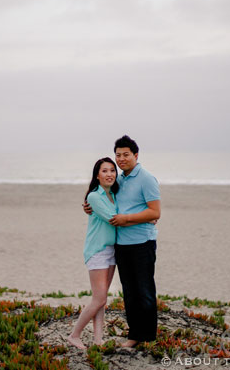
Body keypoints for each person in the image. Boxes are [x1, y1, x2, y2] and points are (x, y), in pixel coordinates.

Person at [84, 135, 161, 347]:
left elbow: (155, 212)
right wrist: (87, 206)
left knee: (144, 290)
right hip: (121, 244)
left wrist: (127, 219)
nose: (121, 159)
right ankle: (135, 336)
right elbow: (102, 197)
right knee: (129, 291)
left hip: (142, 242)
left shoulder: (146, 178)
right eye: (118, 155)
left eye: (126, 154)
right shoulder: (120, 179)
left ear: (136, 155)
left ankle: (148, 337)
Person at [67, 157, 119, 349]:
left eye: (112, 170)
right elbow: (112, 218)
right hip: (97, 250)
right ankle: (74, 335)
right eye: (104, 171)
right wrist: (146, 219)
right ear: (97, 175)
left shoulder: (114, 194)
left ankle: (98, 340)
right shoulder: (94, 197)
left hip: (112, 250)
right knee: (99, 299)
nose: (109, 174)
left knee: (102, 299)